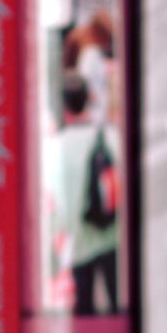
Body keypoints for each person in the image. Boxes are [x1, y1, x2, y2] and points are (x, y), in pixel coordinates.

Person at [52, 70, 120, 315]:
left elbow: (57, 206)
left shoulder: (58, 146)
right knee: (118, 305)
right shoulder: (111, 136)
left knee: (84, 313)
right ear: (89, 98)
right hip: (113, 237)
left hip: (79, 243)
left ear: (64, 107)